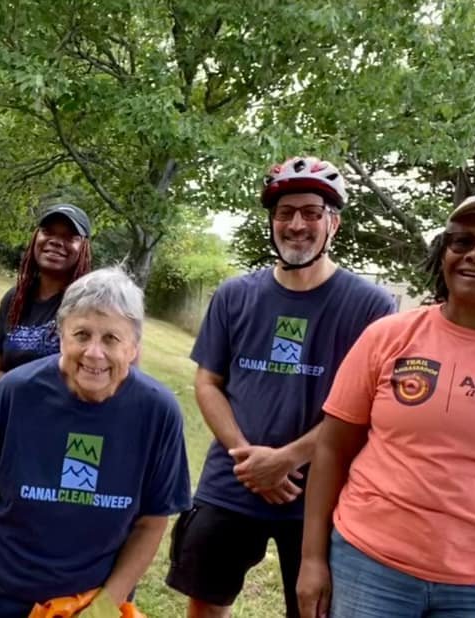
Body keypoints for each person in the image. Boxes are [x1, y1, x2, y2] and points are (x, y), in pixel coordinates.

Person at [166, 156, 397, 618]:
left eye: (311, 212)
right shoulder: (235, 295)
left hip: (319, 492)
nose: (296, 224)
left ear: (333, 223)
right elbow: (208, 381)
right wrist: (248, 458)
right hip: (232, 481)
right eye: (284, 212)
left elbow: (369, 407)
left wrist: (287, 459)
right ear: (271, 221)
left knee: (312, 609)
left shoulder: (372, 306)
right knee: (206, 604)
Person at [297, 191, 475, 618]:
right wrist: (311, 559)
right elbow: (332, 450)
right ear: (443, 252)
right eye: (462, 242)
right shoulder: (388, 336)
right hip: (370, 565)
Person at [0, 267, 192, 618]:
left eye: (111, 339)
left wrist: (105, 606)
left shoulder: (158, 412)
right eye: (82, 334)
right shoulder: (16, 393)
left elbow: (151, 522)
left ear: (133, 347)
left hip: (85, 602)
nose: (94, 353)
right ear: (61, 335)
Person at [0, 203, 92, 380]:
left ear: (84, 248)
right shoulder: (14, 299)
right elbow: (2, 367)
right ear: (35, 238)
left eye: (70, 237)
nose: (55, 241)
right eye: (47, 232)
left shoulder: (89, 306)